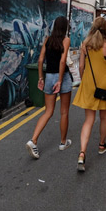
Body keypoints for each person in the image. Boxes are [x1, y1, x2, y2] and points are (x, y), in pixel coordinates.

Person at [72, 17, 106, 172]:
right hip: (105, 84)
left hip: (89, 83)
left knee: (89, 119)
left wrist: (84, 80)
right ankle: (101, 145)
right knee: (104, 117)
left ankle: (82, 153)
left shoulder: (85, 44)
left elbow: (81, 66)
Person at [25, 16, 73, 158]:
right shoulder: (66, 40)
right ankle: (63, 143)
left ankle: (33, 140)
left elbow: (40, 60)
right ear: (65, 27)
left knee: (48, 111)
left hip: (49, 77)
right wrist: (60, 80)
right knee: (64, 112)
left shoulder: (47, 40)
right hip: (62, 77)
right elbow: (63, 61)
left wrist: (41, 77)